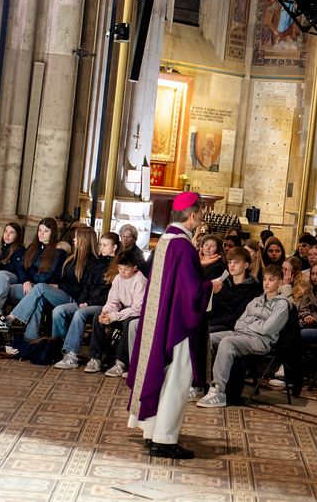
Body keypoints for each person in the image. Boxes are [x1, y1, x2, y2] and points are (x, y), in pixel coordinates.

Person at [127, 192, 215, 460]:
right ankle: (164, 440)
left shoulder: (166, 240)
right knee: (177, 380)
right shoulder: (184, 247)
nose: (201, 217)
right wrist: (213, 286)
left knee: (161, 376)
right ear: (192, 215)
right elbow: (192, 294)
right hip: (178, 327)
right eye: (200, 212)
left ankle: (151, 431)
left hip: (159, 321)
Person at [196, 264, 291, 408]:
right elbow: (238, 324)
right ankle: (199, 384)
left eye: (271, 280)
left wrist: (250, 322)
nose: (266, 283)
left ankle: (218, 391)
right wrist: (256, 323)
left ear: (279, 283)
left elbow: (266, 329)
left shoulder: (282, 305)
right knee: (207, 338)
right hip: (240, 333)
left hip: (260, 341)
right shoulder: (256, 300)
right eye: (265, 279)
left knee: (228, 342)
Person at [0, 217, 66, 344]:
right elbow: (19, 266)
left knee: (3, 292)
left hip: (40, 291)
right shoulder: (33, 247)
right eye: (39, 230)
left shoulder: (59, 252)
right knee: (2, 275)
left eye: (45, 231)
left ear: (53, 233)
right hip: (25, 285)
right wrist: (25, 280)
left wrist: (28, 275)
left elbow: (46, 277)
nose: (41, 234)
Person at [52, 228, 122, 370]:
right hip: (86, 302)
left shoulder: (118, 267)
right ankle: (57, 349)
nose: (101, 248)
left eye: (105, 245)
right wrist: (82, 301)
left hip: (103, 305)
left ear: (114, 247)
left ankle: (72, 356)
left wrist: (88, 303)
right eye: (101, 244)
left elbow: (109, 294)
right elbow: (85, 285)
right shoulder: (96, 262)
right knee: (59, 310)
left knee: (80, 314)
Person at [96, 251, 148, 376]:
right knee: (98, 317)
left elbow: (137, 309)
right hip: (124, 313)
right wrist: (106, 313)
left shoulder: (140, 280)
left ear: (134, 268)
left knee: (128, 323)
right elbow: (113, 301)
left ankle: (121, 362)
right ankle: (95, 358)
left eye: (126, 269)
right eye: (120, 268)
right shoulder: (118, 278)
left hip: (138, 315)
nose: (122, 272)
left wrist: (113, 316)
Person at [209, 246, 262, 332]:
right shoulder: (223, 282)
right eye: (230, 262)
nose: (232, 265)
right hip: (215, 321)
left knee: (202, 332)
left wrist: (209, 322)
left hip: (233, 326)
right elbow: (213, 304)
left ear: (246, 265)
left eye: (237, 262)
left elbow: (236, 315)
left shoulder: (253, 288)